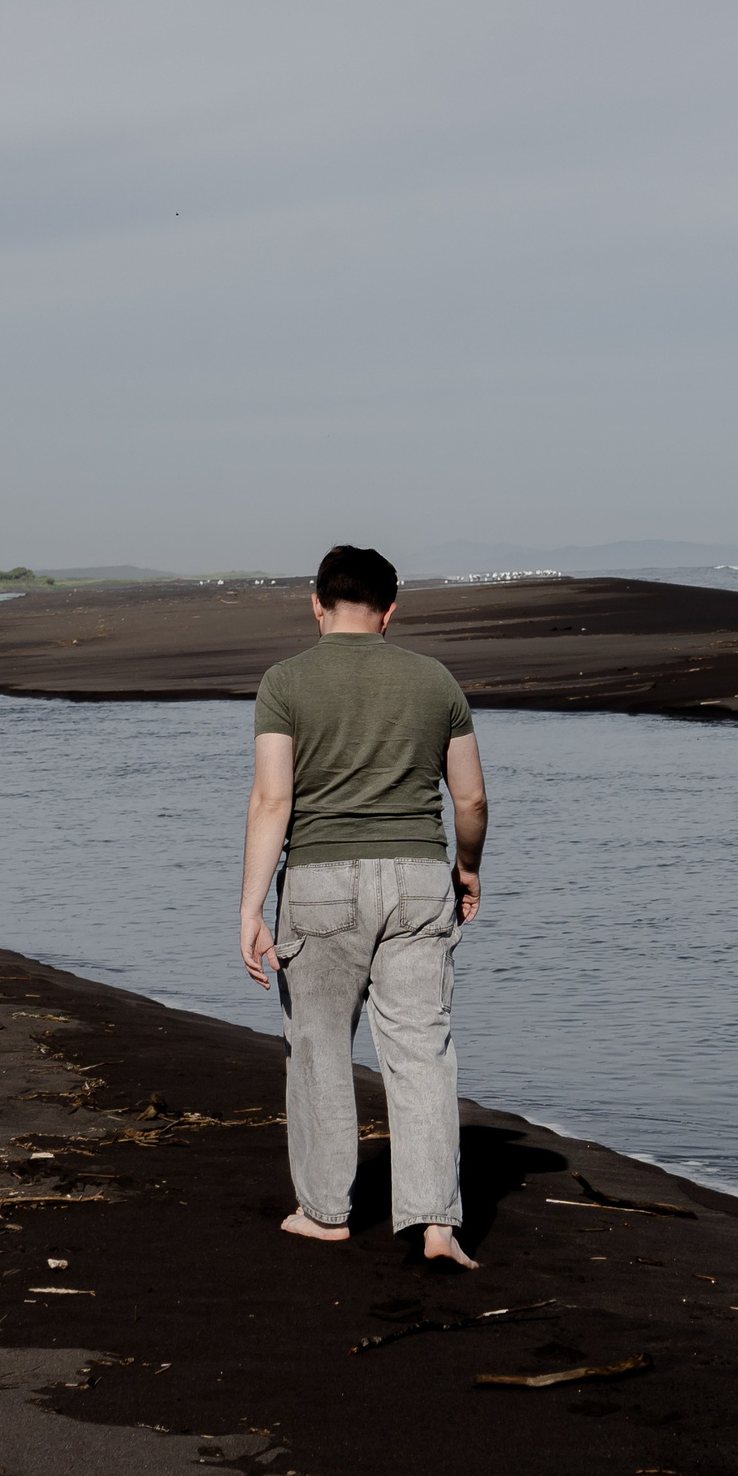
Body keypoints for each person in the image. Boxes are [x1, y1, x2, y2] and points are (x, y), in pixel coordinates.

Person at [239, 544, 488, 1269]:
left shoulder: (284, 681)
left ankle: (326, 1212)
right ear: (389, 613)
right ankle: (436, 1223)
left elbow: (272, 798)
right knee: (422, 1050)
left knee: (317, 1047)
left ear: (316, 605)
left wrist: (251, 905)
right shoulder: (434, 679)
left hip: (320, 880)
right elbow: (469, 796)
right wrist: (466, 869)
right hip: (417, 877)